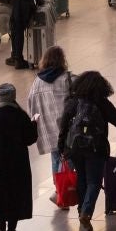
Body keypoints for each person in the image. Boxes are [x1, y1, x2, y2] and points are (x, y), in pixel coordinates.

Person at [57, 71, 116, 231]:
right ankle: (86, 212)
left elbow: (64, 125)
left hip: (75, 148)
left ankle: (81, 211)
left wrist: (61, 147)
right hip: (95, 148)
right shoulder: (101, 102)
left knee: (82, 179)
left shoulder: (73, 102)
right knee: (94, 182)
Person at [0, 84, 37, 231]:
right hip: (17, 165)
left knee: (1, 196)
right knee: (15, 198)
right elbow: (30, 139)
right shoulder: (20, 115)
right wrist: (34, 124)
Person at [27, 46, 74, 191]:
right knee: (70, 157)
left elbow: (32, 105)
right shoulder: (66, 78)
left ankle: (59, 189)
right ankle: (70, 187)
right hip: (67, 127)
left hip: (49, 129)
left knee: (56, 157)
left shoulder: (37, 82)